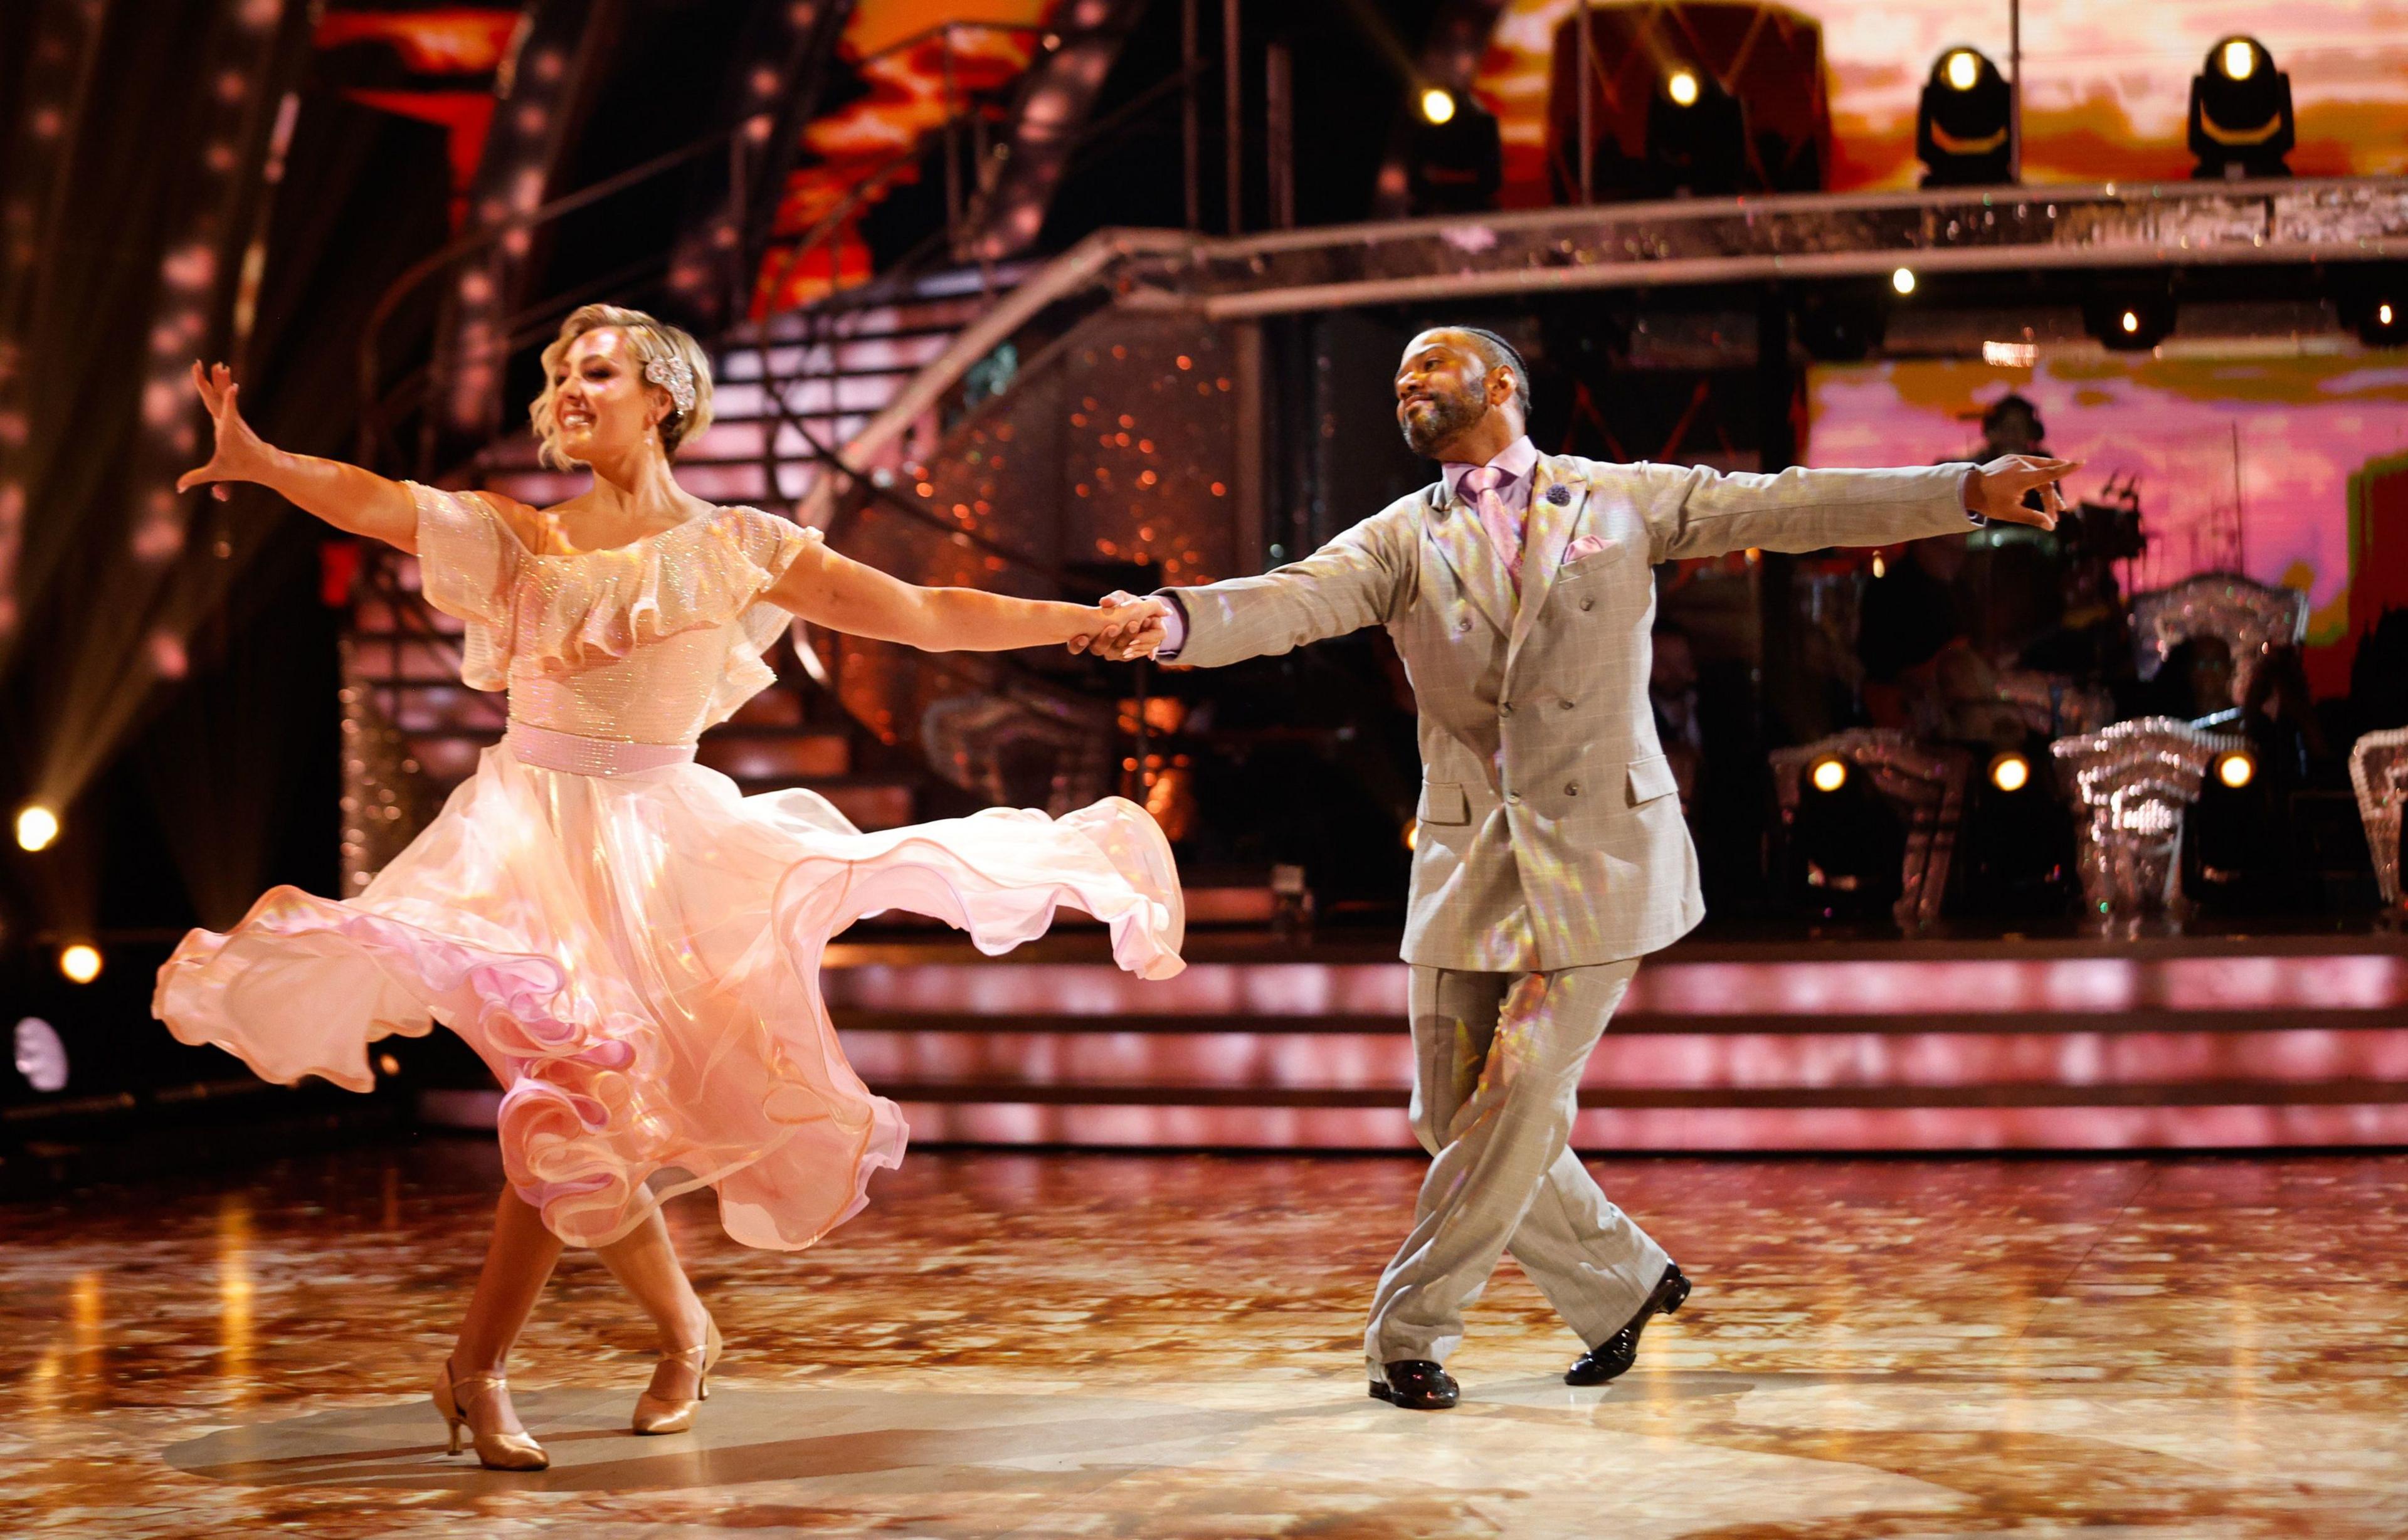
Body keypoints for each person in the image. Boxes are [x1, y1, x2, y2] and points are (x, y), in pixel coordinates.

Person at [153, 305, 1185, 1469]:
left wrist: (1086, 625)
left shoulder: (744, 546)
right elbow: (381, 500)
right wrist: (265, 460)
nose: (570, 391)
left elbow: (929, 616)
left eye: (597, 371)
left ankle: (648, 1338)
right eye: (560, 376)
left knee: (596, 1118)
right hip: (527, 841)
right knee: (576, 1100)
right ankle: (502, 1367)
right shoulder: (524, 538)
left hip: (663, 847)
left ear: (664, 398)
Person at [1081, 325, 2071, 1411]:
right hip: (1469, 859)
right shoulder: (1402, 537)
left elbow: (1791, 505)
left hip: (1606, 855)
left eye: (1432, 362)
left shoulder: (1617, 498)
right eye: (1399, 371)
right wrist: (1174, 619)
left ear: (1505, 383)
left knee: (1514, 1098)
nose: (1407, 380)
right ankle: (1624, 1283)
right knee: (1445, 1110)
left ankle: (1407, 1331)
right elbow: (1290, 597)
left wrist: (1965, 489)